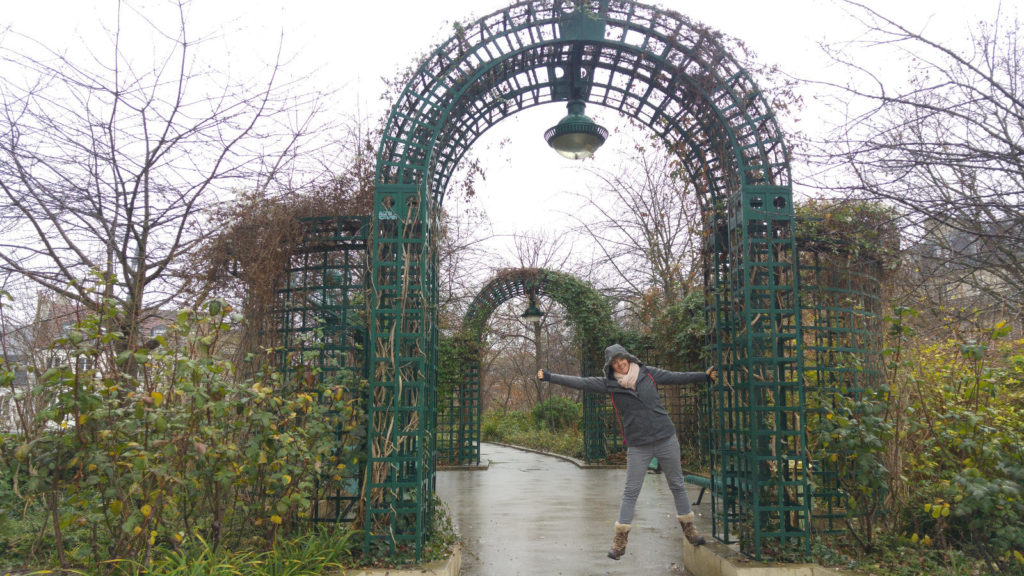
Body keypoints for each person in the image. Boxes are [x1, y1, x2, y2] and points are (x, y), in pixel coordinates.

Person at [537, 343, 715, 560]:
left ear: (628, 358)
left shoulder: (648, 373)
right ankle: (620, 541)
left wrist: (703, 376)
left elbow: (676, 377)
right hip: (638, 444)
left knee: (677, 483)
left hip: (665, 437)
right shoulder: (609, 385)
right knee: (631, 491)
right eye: (615, 363)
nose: (620, 364)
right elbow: (580, 383)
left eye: (622, 360)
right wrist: (549, 376)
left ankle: (689, 530)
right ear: (610, 367)